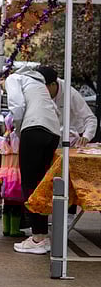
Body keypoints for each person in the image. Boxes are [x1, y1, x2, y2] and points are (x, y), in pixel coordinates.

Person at [5, 66, 61, 255]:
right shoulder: (38, 84)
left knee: (30, 183)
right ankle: (41, 234)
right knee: (42, 184)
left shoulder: (14, 78)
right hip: (52, 132)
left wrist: (19, 130)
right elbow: (55, 111)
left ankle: (38, 237)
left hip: (33, 128)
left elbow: (17, 106)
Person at [37, 65, 98, 222]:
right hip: (50, 139)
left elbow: (90, 119)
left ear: (52, 85)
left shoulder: (70, 94)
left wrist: (86, 136)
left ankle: (69, 213)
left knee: (68, 177)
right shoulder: (40, 94)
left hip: (70, 140)